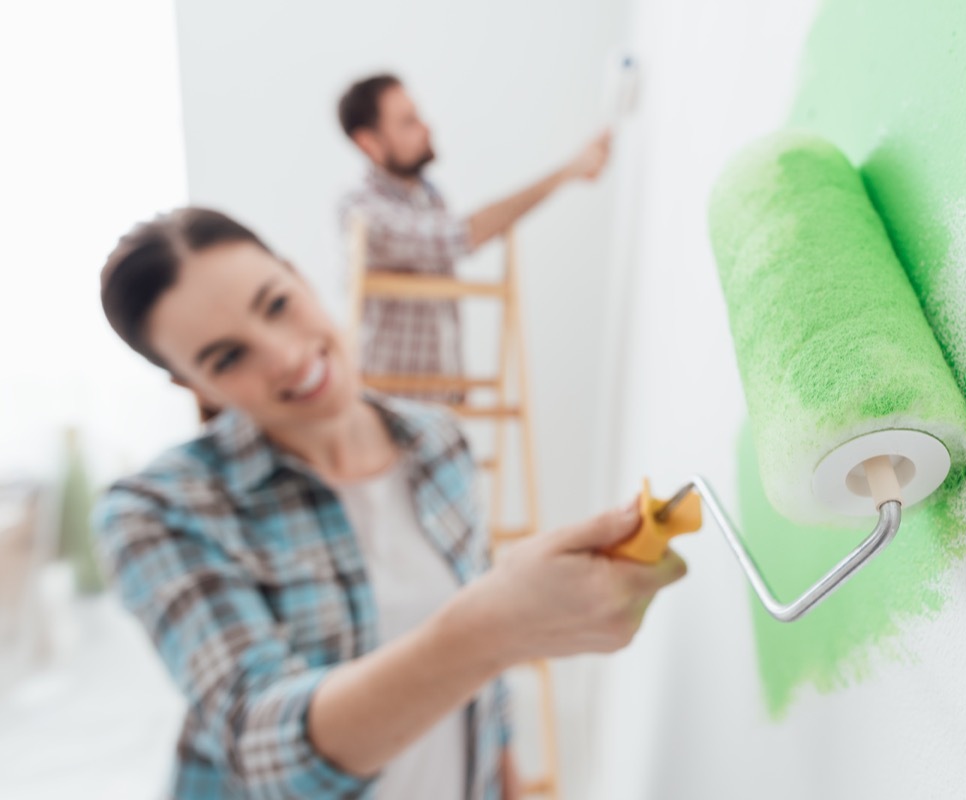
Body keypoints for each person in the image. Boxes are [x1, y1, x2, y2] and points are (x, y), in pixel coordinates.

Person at [94, 207, 686, 800]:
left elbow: (484, 697)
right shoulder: (155, 512)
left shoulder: (437, 442)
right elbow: (268, 758)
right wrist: (493, 625)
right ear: (194, 386)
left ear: (299, 275)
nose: (284, 356)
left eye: (276, 304)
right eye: (227, 358)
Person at [337, 73, 610, 403]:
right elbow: (460, 237)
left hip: (440, 405)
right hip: (387, 405)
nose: (426, 127)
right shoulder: (363, 209)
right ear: (369, 143)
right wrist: (568, 172)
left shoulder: (430, 197)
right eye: (408, 122)